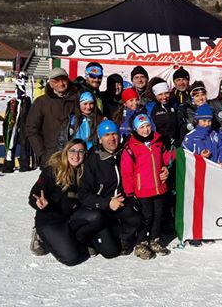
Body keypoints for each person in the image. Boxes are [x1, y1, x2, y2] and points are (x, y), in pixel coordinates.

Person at [77, 120, 142, 259]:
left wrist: (162, 170)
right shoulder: (93, 161)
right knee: (110, 252)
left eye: (114, 134)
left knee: (136, 218)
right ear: (100, 139)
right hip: (100, 210)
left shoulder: (125, 154)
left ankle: (122, 238)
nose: (112, 138)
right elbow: (83, 195)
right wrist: (106, 203)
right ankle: (89, 239)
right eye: (107, 135)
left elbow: (145, 165)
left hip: (121, 204)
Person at [28, 139, 89, 266]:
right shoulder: (53, 170)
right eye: (72, 151)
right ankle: (41, 236)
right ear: (66, 152)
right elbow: (35, 194)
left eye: (80, 151)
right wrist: (39, 202)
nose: (76, 156)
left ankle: (70, 240)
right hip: (50, 219)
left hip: (70, 217)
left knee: (96, 218)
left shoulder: (85, 171)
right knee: (71, 258)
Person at [121, 113, 171, 258]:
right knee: (146, 217)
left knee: (158, 215)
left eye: (148, 126)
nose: (146, 130)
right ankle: (140, 243)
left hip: (159, 187)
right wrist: (130, 193)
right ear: (136, 129)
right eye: (142, 127)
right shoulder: (130, 148)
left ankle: (154, 240)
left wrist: (172, 159)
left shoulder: (157, 141)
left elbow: (164, 159)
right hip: (142, 190)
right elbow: (127, 172)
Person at [27, 68, 78, 166]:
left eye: (63, 80)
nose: (61, 84)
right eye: (56, 81)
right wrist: (41, 153)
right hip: (51, 155)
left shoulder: (77, 99)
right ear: (50, 83)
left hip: (74, 155)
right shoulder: (41, 102)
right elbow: (31, 129)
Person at [146, 78, 179, 149]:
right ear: (155, 95)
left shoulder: (174, 104)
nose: (164, 97)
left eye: (166, 93)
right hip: (158, 145)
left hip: (175, 144)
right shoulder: (150, 107)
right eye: (160, 94)